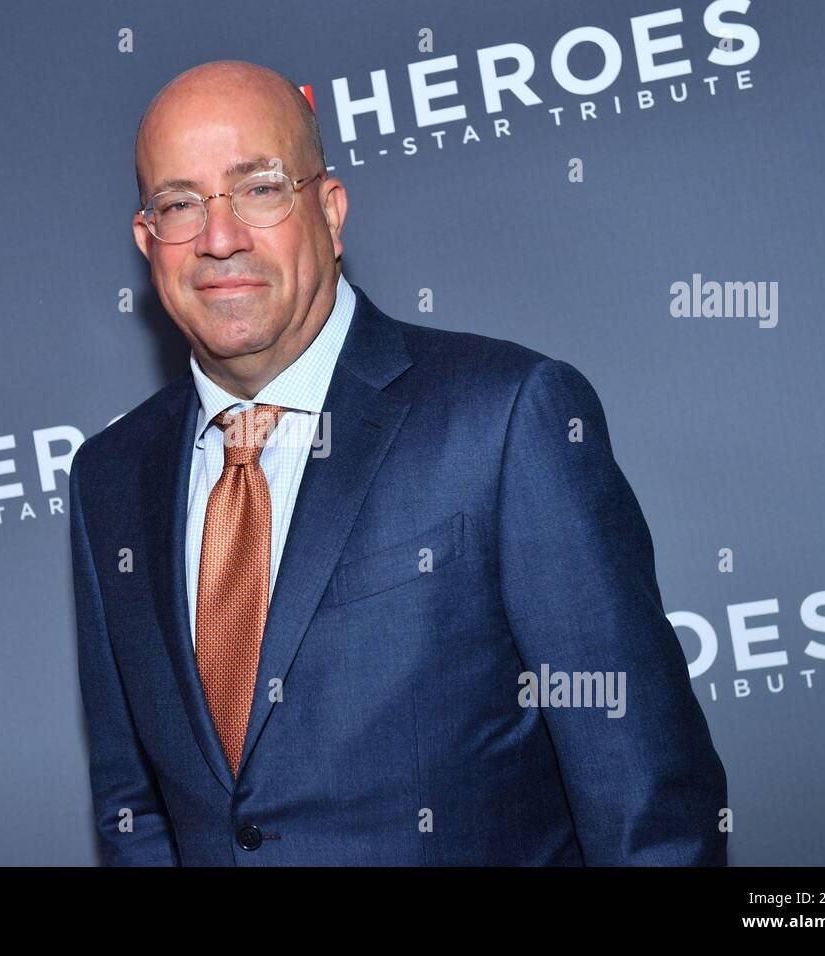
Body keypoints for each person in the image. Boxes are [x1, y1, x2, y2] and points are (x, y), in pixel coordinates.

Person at [68, 59, 728, 865]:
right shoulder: (109, 478)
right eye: (179, 204)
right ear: (147, 240)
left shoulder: (507, 416)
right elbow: (133, 812)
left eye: (260, 188)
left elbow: (646, 806)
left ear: (332, 211)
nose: (220, 237)